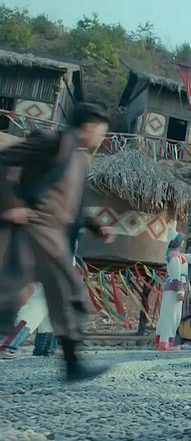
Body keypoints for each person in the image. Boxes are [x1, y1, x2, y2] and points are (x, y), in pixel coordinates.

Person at [0, 102, 114, 382]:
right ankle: (73, 365)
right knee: (25, 290)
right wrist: (12, 203)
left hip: (55, 234)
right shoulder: (52, 142)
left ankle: (73, 365)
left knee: (60, 295)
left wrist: (97, 227)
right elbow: (4, 160)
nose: (101, 139)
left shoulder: (79, 159)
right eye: (101, 132)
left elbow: (73, 204)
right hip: (35, 224)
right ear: (88, 127)